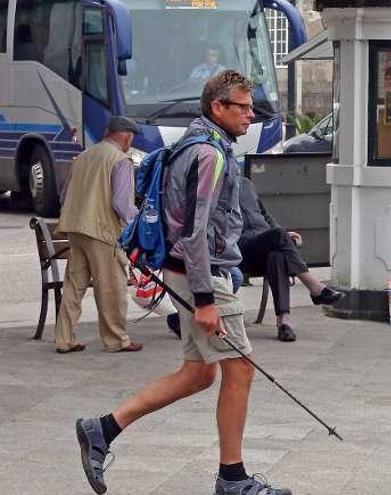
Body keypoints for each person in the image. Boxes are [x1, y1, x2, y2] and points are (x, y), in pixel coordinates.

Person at [74, 70, 291, 495]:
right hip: (203, 274)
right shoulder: (210, 155)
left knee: (197, 375)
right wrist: (206, 299)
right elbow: (195, 231)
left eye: (251, 106)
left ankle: (102, 429)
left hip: (185, 270)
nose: (250, 115)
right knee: (241, 368)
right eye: (242, 107)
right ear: (217, 107)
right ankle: (232, 478)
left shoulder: (192, 143)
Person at [54, 116, 142, 354]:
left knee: (74, 286)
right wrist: (140, 221)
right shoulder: (120, 160)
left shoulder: (83, 156)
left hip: (75, 228)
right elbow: (122, 205)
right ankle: (116, 340)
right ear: (126, 136)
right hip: (103, 232)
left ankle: (64, 338)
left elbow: (64, 197)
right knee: (112, 288)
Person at [238, 175, 343, 342]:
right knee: (279, 237)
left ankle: (284, 322)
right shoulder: (218, 188)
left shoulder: (245, 184)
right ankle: (314, 286)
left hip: (264, 242)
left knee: (277, 255)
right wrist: (281, 235)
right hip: (241, 248)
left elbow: (265, 216)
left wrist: (283, 236)